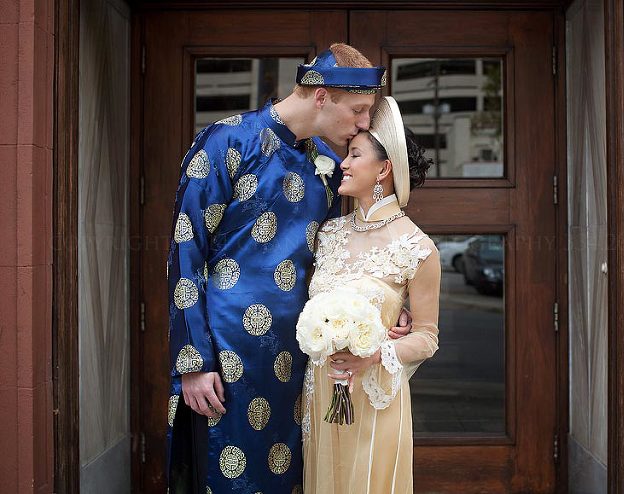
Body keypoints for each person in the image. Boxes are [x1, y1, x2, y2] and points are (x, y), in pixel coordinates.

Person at [166, 44, 410, 493]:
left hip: (305, 357)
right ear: (321, 97)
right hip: (227, 354)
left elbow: (347, 247)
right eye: (357, 110)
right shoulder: (226, 141)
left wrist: (391, 299)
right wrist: (193, 362)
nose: (362, 124)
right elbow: (187, 251)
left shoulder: (327, 162)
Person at [302, 96, 441, 493]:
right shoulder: (329, 234)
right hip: (320, 388)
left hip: (375, 393)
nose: (343, 164)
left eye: (355, 155)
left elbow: (428, 338)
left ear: (384, 168)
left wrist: (376, 353)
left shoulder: (417, 247)